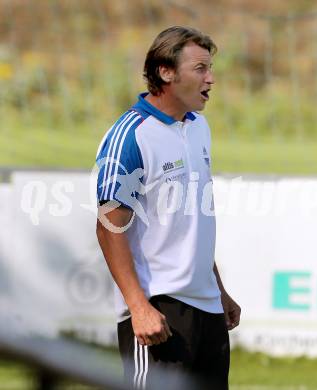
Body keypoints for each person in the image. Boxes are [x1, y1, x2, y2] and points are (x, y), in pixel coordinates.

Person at [95, 26, 241, 390]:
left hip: (206, 310)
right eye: (201, 68)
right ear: (166, 72)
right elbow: (109, 226)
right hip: (159, 308)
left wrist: (217, 289)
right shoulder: (132, 135)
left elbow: (190, 221)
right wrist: (139, 306)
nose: (212, 78)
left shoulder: (198, 127)